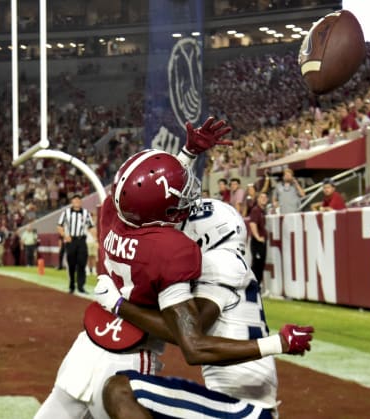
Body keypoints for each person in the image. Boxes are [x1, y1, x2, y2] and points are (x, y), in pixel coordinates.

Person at [35, 118, 312, 419]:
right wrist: (187, 156)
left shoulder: (120, 218)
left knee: (116, 393)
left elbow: (190, 340)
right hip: (119, 346)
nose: (181, 221)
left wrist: (116, 303)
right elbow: (151, 195)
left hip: (123, 345)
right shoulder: (170, 247)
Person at [101, 199, 293, 418]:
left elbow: (190, 338)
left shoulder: (217, 262)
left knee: (120, 390)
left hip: (244, 408)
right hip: (239, 401)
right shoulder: (229, 261)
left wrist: (119, 305)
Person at [57, 194, 96, 294]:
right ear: (72, 202)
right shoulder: (66, 212)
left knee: (82, 263)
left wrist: (97, 239)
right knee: (71, 264)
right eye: (75, 200)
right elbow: (60, 226)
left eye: (79, 200)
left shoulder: (86, 213)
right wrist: (65, 235)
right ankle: (71, 285)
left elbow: (91, 227)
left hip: (82, 240)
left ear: (81, 202)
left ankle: (81, 286)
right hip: (71, 241)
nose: (77, 202)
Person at [249, 191, 269, 287]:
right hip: (257, 242)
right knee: (257, 265)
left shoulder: (262, 211)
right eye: (261, 197)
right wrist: (257, 237)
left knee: (260, 265)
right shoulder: (256, 210)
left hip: (261, 242)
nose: (264, 199)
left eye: (265, 197)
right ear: (257, 199)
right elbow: (252, 224)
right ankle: (253, 287)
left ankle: (257, 287)